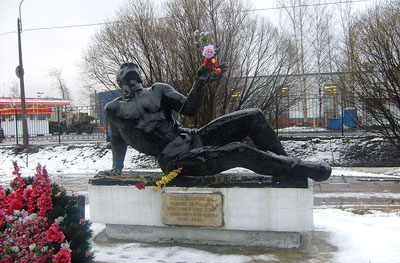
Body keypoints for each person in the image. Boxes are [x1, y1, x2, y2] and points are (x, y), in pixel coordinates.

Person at [104, 62, 331, 182]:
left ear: (140, 76)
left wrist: (200, 83)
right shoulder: (113, 109)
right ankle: (298, 168)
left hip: (193, 137)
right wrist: (117, 168)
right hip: (174, 158)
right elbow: (117, 139)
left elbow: (190, 110)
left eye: (133, 70)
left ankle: (285, 165)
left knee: (253, 116)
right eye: (124, 70)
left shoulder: (157, 90)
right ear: (119, 80)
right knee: (239, 151)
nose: (129, 69)